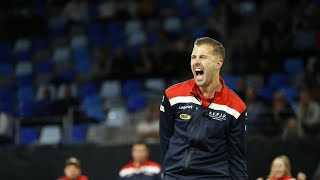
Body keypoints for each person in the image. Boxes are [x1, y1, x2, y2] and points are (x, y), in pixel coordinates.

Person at [160, 37, 248, 179]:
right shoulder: (172, 95)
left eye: (203, 57)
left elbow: (237, 158)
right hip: (176, 175)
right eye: (193, 57)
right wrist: (168, 171)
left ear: (218, 63)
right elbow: (165, 138)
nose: (196, 61)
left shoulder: (236, 107)